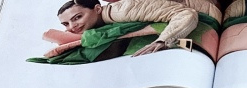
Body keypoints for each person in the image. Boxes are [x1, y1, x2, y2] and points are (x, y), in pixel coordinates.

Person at [56, 0, 200, 54]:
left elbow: (186, 14)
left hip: (201, 16)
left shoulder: (123, 11)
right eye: (66, 24)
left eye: (77, 17)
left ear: (98, 9)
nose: (72, 26)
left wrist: (163, 41)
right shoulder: (102, 22)